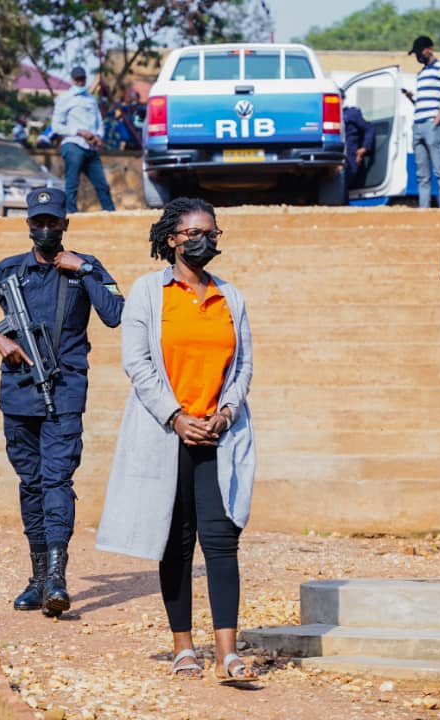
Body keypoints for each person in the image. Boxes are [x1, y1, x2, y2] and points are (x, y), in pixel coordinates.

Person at [96, 197, 257, 683]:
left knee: (222, 538)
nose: (203, 239)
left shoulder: (231, 297)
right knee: (176, 541)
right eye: (193, 233)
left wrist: (226, 413)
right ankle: (184, 646)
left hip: (219, 435)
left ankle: (228, 652)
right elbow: (138, 363)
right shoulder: (148, 292)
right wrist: (176, 416)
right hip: (167, 434)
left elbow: (244, 363)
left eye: (211, 232)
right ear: (172, 239)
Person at [0, 187, 124, 618]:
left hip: (64, 393)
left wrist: (83, 270)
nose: (46, 229)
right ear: (29, 225)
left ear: (65, 224)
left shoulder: (86, 267)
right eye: (38, 223)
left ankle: (58, 579)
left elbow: (116, 313)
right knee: (30, 485)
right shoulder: (10, 270)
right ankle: (38, 577)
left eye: (53, 222)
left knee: (57, 482)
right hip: (19, 394)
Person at [52, 66, 116, 213]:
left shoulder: (91, 99)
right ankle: (70, 215)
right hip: (73, 145)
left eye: (82, 79)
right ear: (72, 80)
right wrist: (79, 132)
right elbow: (56, 126)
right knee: (72, 184)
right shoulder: (64, 99)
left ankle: (111, 214)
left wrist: (99, 136)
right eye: (78, 79)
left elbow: (99, 121)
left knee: (102, 185)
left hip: (91, 148)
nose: (80, 82)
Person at [401, 35, 440, 208]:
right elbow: (422, 102)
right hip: (418, 124)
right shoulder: (421, 74)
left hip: (431, 125)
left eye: (418, 52)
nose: (417, 57)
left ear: (428, 49)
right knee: (422, 174)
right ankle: (424, 210)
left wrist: (437, 120)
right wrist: (411, 98)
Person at [342, 92, 375, 195]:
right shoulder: (327, 113)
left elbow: (369, 128)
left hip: (351, 154)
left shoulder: (351, 113)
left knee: (344, 184)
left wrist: (364, 148)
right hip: (336, 152)